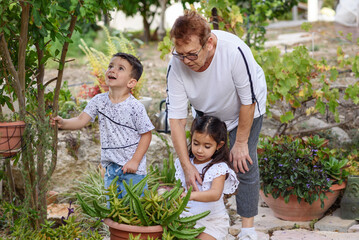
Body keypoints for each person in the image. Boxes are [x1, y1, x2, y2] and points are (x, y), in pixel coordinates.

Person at [166, 10, 267, 240]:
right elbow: (177, 120)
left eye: (191, 54)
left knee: (244, 162)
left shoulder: (234, 51)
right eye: (180, 54)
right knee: (200, 162)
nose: (186, 61)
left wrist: (240, 142)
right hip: (208, 111)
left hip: (246, 107)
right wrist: (186, 165)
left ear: (209, 43)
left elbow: (247, 101)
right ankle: (208, 217)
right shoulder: (177, 65)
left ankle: (248, 230)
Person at [51, 52, 154, 197]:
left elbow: (146, 135)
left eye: (120, 68)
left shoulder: (135, 107)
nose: (112, 70)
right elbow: (81, 120)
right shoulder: (99, 101)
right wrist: (63, 122)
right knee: (111, 210)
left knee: (134, 213)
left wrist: (134, 161)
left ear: (131, 82)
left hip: (132, 171)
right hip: (110, 170)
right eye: (110, 66)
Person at [175, 116, 239, 240]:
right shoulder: (186, 163)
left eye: (207, 146)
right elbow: (180, 187)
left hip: (211, 220)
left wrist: (190, 196)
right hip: (186, 217)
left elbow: (215, 194)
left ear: (219, 145)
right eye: (196, 143)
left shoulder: (218, 167)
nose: (199, 150)